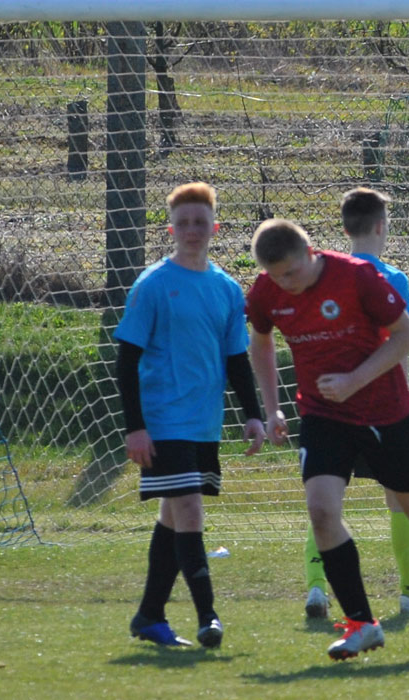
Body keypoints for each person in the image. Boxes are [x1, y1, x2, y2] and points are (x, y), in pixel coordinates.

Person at [246, 219, 409, 660]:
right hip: (323, 415)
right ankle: (362, 623)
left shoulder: (356, 276)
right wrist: (272, 409)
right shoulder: (267, 291)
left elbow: (407, 335)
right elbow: (261, 341)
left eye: (291, 272)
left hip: (384, 413)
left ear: (310, 251)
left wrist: (353, 380)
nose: (285, 283)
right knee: (321, 513)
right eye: (276, 275)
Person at [114, 181, 265, 649]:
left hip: (203, 423)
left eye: (201, 222)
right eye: (183, 223)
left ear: (215, 227)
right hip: (163, 421)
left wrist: (253, 415)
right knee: (190, 510)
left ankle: (149, 616)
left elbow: (236, 358)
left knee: (174, 516)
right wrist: (135, 427)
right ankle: (208, 617)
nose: (192, 230)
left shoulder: (226, 289)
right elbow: (126, 360)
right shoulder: (153, 284)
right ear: (171, 230)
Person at [300, 188, 409, 620]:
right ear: (382, 226)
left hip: (332, 406)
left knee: (327, 503)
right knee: (401, 500)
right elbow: (399, 344)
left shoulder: (326, 276)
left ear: (345, 227)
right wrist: (405, 397)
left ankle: (316, 588)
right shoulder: (393, 277)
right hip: (380, 408)